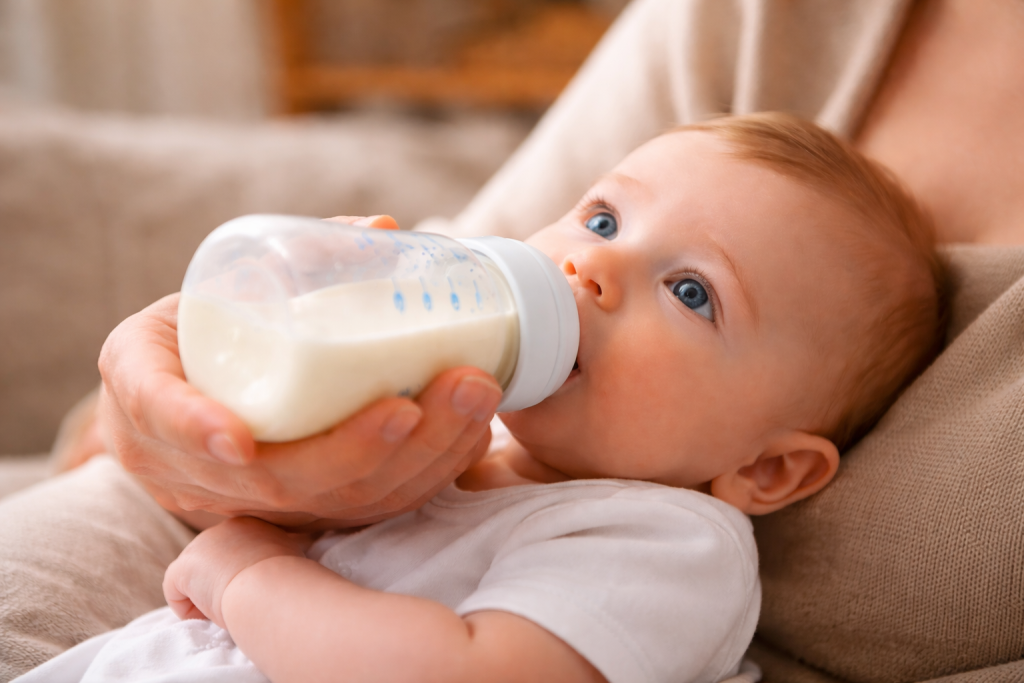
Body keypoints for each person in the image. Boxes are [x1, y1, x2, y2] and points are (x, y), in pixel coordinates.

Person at [2, 0, 1023, 679]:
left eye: (689, 291)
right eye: (603, 218)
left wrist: (246, 575)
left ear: (764, 468)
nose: (589, 269)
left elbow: (455, 671)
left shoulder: (665, 543)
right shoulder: (462, 449)